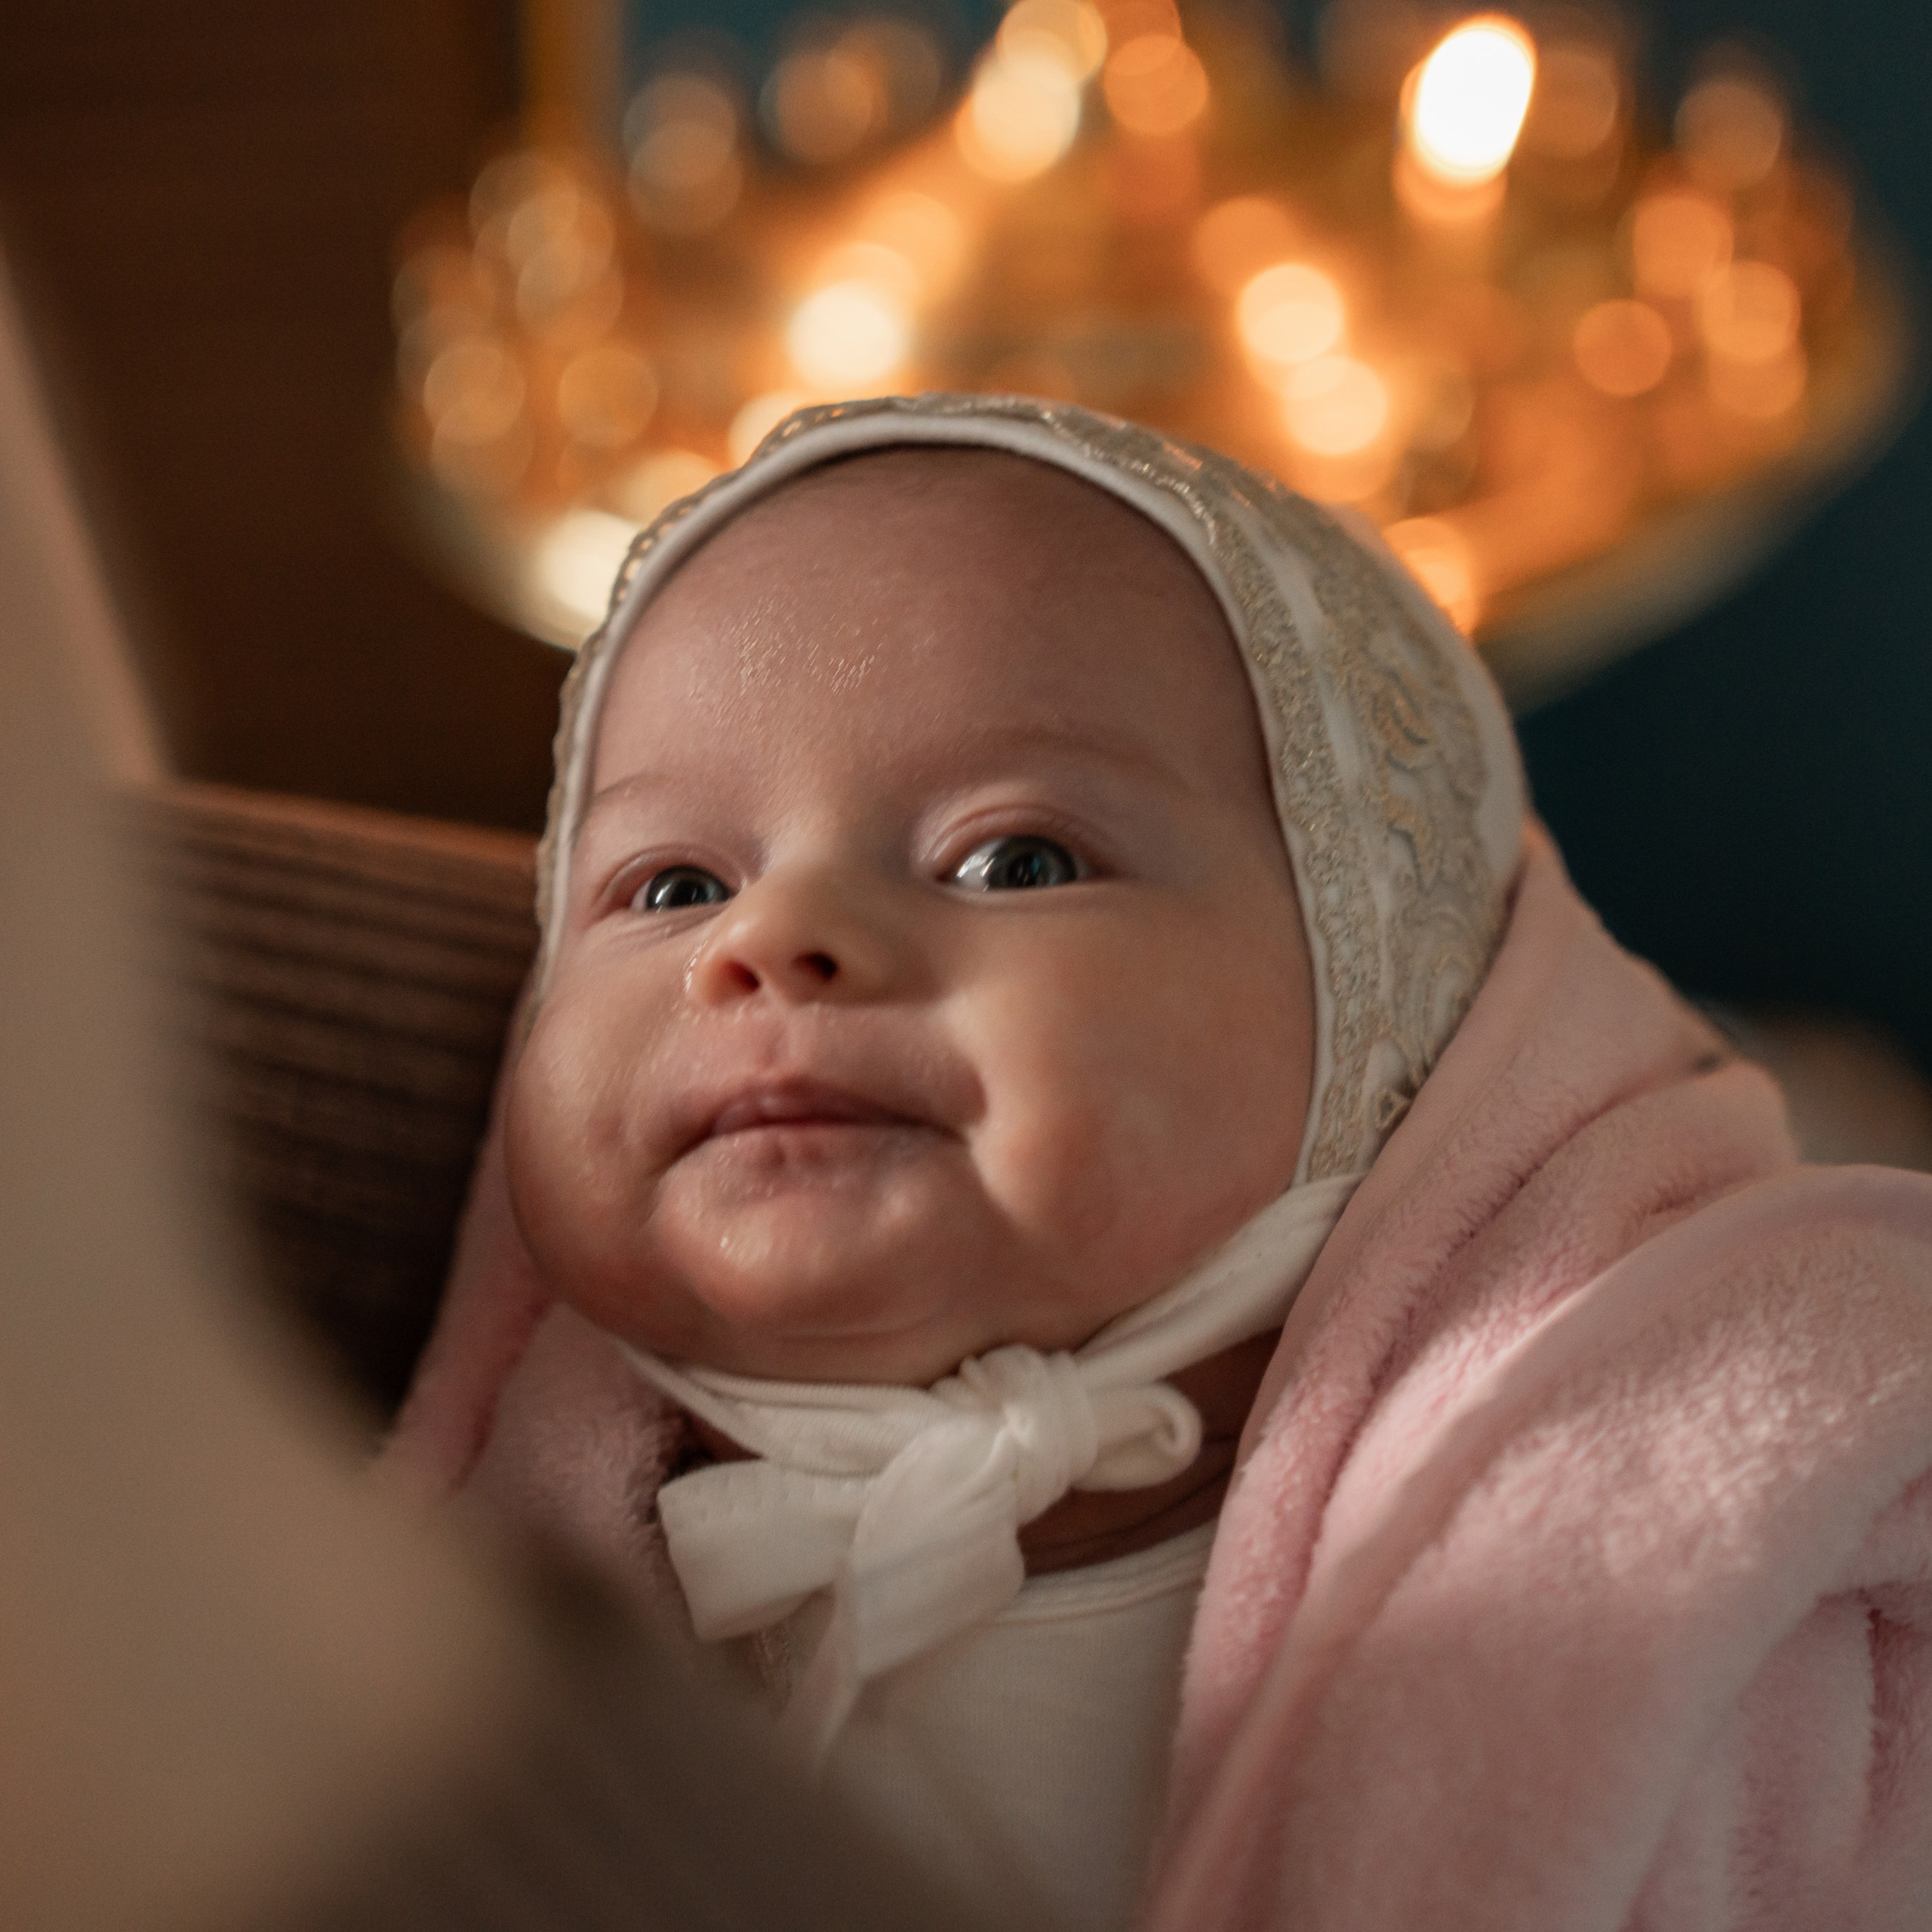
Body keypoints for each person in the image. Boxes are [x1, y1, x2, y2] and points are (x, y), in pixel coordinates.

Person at [391, 394, 1932, 1932]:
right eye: (668, 883)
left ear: (1388, 1013)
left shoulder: (1696, 1613)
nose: (764, 941)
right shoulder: (447, 1632)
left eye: (1012, 859)